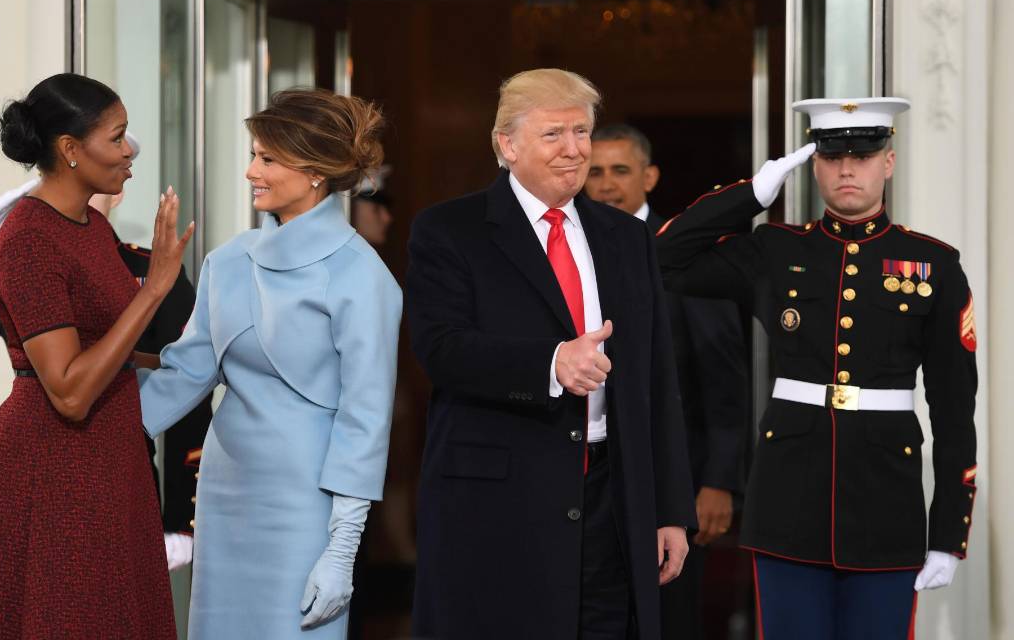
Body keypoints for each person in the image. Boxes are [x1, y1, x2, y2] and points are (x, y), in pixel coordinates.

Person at [655, 97, 977, 639]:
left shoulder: (933, 264)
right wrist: (753, 194)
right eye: (831, 158)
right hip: (787, 500)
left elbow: (954, 408)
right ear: (814, 165)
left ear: (888, 163)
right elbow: (663, 259)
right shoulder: (775, 250)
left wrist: (948, 534)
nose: (847, 169)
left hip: (886, 502)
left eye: (863, 156)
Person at [406, 68, 695, 640]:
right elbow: (441, 349)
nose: (574, 149)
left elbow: (657, 379)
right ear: (507, 145)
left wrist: (670, 510)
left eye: (581, 131)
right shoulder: (449, 230)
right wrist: (551, 363)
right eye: (553, 134)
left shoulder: (627, 236)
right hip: (501, 505)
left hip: (615, 503)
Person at [137, 88, 402, 639]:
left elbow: (364, 419)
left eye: (268, 158)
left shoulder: (362, 275)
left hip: (306, 502)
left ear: (315, 171)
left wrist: (342, 549)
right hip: (223, 495)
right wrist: (84, 422)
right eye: (253, 155)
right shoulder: (228, 260)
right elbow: (185, 374)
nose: (251, 171)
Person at [0, 73, 193, 639]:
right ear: (71, 149)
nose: (128, 152)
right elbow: (71, 393)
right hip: (52, 467)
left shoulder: (91, 227)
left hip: (109, 457)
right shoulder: (28, 239)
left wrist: (201, 362)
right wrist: (153, 287)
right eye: (117, 138)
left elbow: (103, 345)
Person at [0, 135, 209, 572]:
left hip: (121, 475)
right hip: (35, 475)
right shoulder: (24, 266)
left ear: (117, 190)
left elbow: (188, 393)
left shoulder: (149, 270)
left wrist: (181, 523)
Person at [586, 123, 748, 640]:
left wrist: (718, 481)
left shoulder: (683, 252)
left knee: (669, 616)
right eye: (594, 171)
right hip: (590, 480)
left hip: (674, 482)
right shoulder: (568, 247)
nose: (606, 184)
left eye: (620, 170)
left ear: (650, 177)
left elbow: (723, 377)